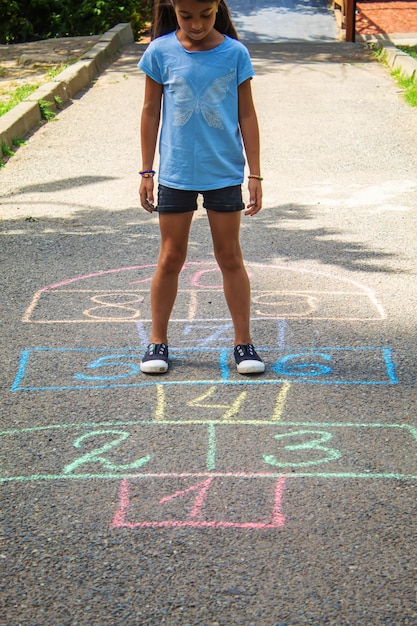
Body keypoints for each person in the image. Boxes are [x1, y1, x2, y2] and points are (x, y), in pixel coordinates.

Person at [138, 0, 265, 376]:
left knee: (229, 257)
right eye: (186, 16)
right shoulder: (160, 51)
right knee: (170, 257)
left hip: (223, 170)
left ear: (217, 8)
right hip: (176, 172)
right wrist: (147, 170)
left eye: (205, 15)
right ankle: (157, 341)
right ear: (174, 9)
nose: (196, 24)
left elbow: (247, 113)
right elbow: (150, 111)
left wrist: (255, 174)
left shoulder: (235, 53)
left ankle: (243, 343)